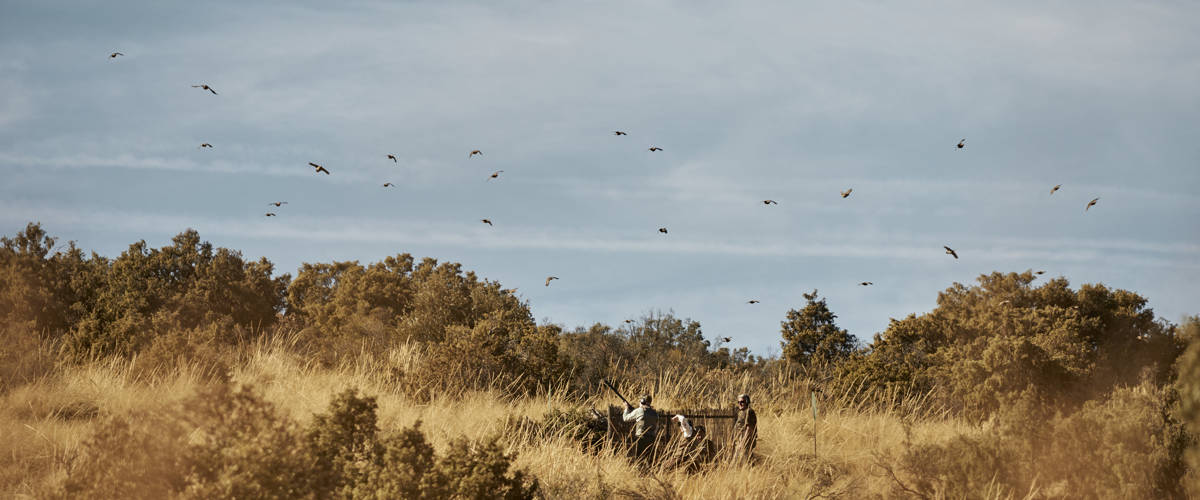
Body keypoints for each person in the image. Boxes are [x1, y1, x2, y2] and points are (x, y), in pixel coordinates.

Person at [623, 394, 659, 461]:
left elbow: (625, 418)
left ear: (642, 401)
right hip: (651, 440)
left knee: (638, 459)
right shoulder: (655, 413)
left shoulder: (640, 410)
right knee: (649, 460)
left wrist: (626, 409)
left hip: (641, 439)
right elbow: (657, 427)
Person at [733, 393, 757, 458]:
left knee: (745, 461)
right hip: (740, 441)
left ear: (747, 402)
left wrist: (743, 443)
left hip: (745, 441)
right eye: (738, 402)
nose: (740, 404)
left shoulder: (749, 412)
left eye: (742, 402)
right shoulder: (742, 412)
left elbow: (749, 429)